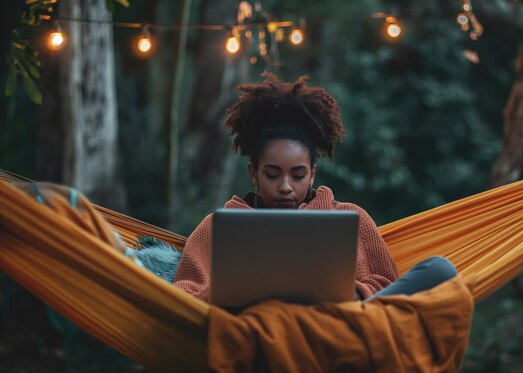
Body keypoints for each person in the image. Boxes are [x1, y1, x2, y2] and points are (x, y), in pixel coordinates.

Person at [174, 73, 457, 303]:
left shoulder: (351, 217)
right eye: (272, 175)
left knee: (439, 269)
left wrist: (349, 292)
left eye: (297, 175)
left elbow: (385, 284)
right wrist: (244, 292)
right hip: (260, 330)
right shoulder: (216, 229)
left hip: (340, 325)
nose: (285, 187)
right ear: (254, 174)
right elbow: (183, 295)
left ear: (312, 174)